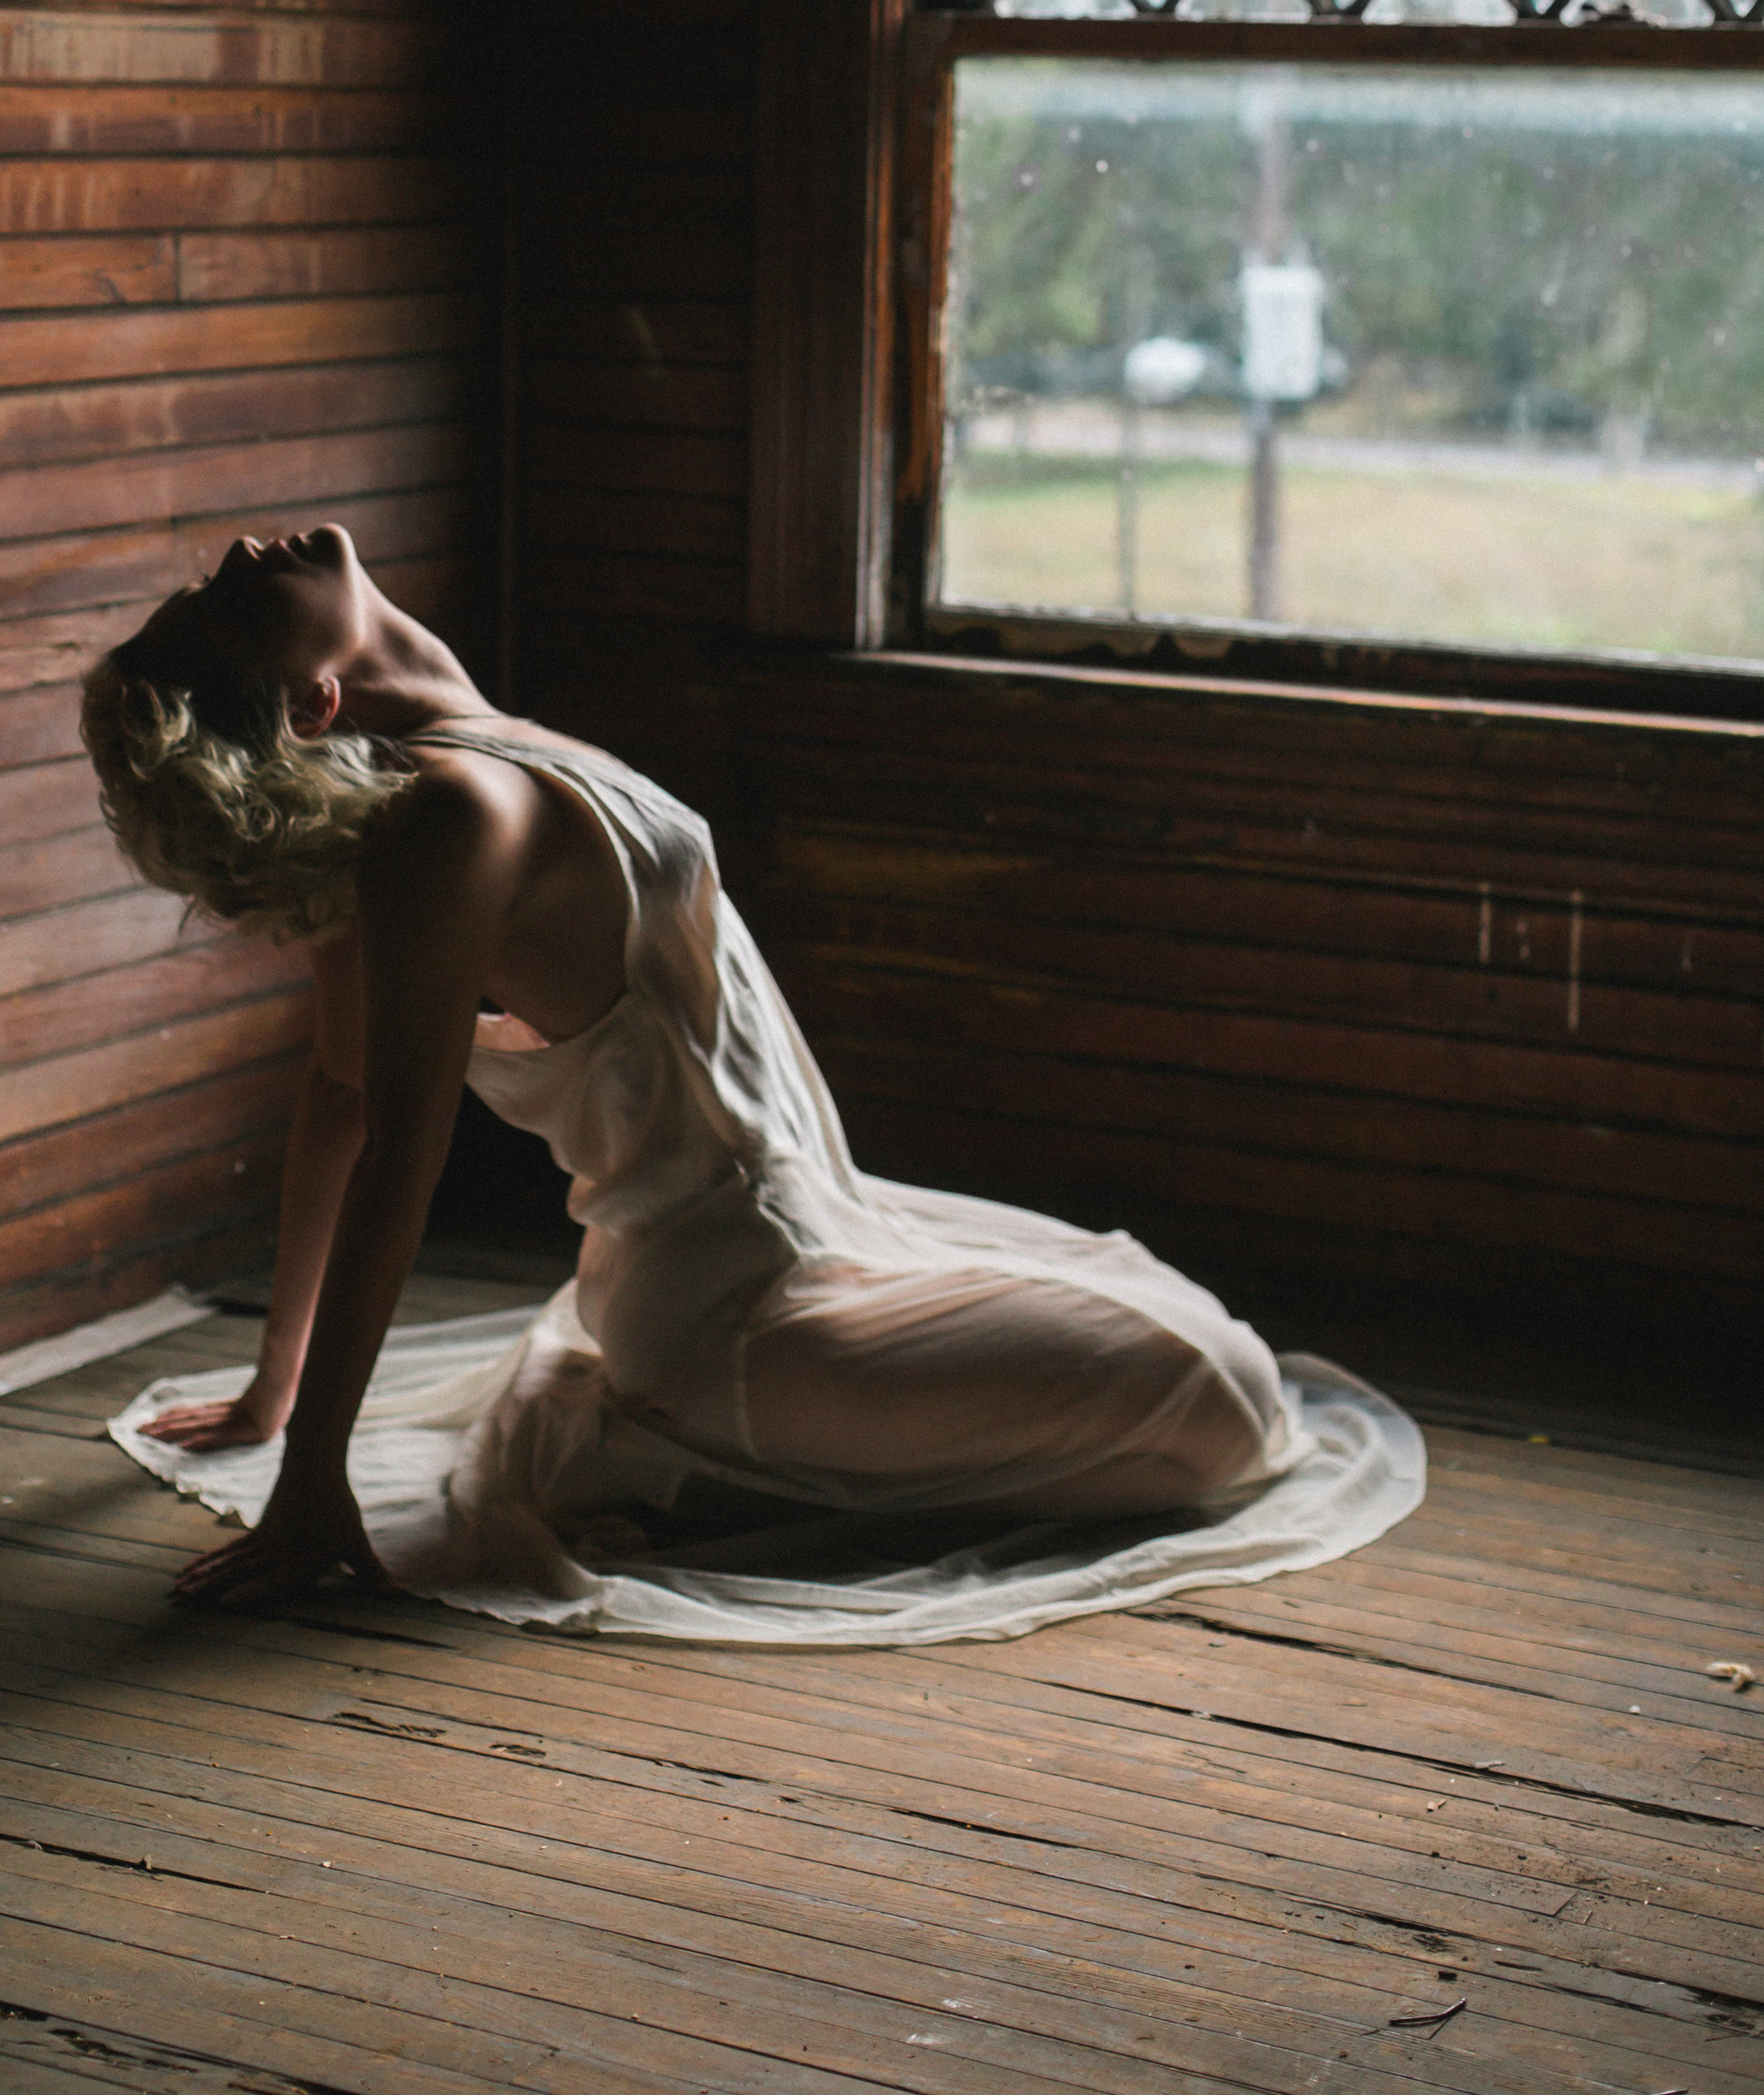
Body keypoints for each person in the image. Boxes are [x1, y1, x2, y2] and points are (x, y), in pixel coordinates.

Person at [80, 524, 1420, 1638]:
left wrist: (277, 1382)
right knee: (1232, 1402)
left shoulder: (452, 759)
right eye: (232, 596)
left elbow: (332, 1096)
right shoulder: (450, 817)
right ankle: (719, 1462)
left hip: (804, 1232)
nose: (245, 547)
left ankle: (735, 1463)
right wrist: (307, 1461)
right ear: (313, 697)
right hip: (745, 1309)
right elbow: (369, 1123)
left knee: (1191, 1334)